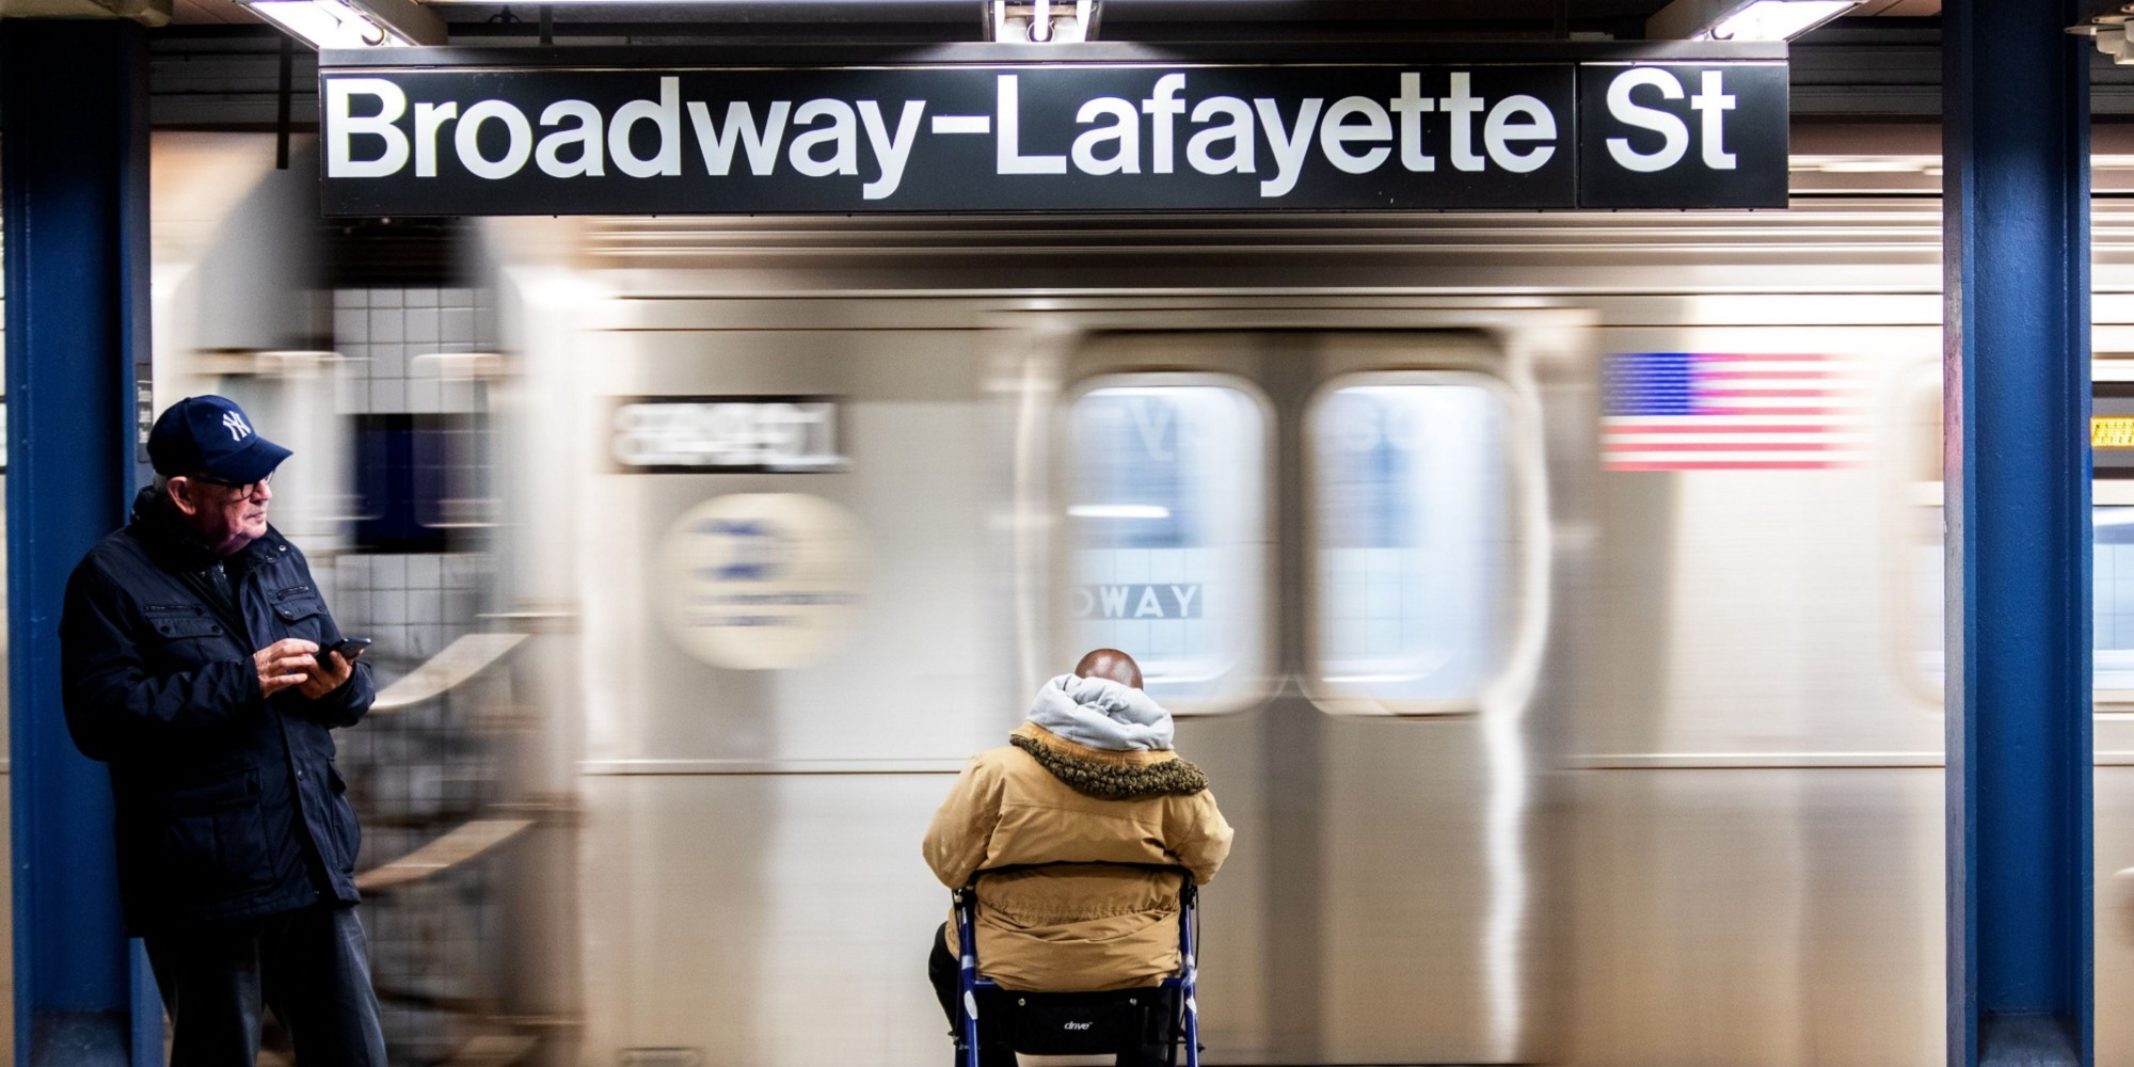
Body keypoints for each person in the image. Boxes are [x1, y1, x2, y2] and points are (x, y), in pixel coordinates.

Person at [59, 395, 384, 1067]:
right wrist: (242, 681)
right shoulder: (110, 578)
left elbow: (342, 678)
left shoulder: (277, 556)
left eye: (263, 473)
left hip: (312, 862)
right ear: (182, 492)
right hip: (207, 888)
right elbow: (102, 716)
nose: (262, 490)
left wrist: (343, 687)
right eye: (240, 480)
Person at [923, 648, 1234, 1067]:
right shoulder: (1172, 779)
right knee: (1167, 975)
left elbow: (947, 860)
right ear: (1140, 702)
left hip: (1012, 966)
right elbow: (1208, 860)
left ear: (1070, 693)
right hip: (1135, 966)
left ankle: (991, 1057)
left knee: (945, 959)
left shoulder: (996, 771)